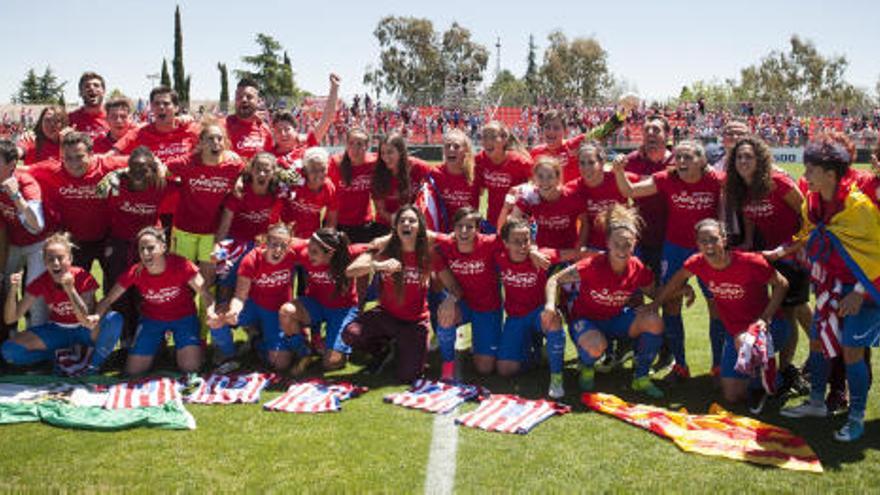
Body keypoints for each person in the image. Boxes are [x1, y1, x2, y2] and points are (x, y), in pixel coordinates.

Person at [778, 138, 880, 442]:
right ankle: (816, 403)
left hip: (865, 288)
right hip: (830, 284)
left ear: (832, 174)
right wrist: (782, 251)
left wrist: (859, 292)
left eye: (812, 169)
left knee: (851, 351)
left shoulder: (858, 205)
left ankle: (857, 417)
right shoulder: (812, 200)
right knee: (819, 342)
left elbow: (877, 251)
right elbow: (810, 235)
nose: (805, 174)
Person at [613, 140, 724, 383]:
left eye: (688, 157)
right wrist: (619, 171)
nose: (681, 162)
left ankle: (717, 366)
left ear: (702, 160)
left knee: (717, 307)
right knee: (671, 305)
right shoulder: (666, 178)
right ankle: (680, 365)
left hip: (709, 250)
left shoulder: (716, 179)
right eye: (679, 157)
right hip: (675, 248)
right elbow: (630, 191)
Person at [652, 219, 790, 411]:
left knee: (744, 341)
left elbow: (782, 284)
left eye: (713, 239)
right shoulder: (697, 263)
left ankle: (766, 381)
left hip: (769, 329)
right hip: (735, 334)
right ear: (697, 244)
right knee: (731, 395)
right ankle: (766, 374)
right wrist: (655, 305)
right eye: (702, 241)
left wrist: (765, 318)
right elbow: (676, 281)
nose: (708, 245)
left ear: (724, 239)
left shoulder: (750, 262)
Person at [544, 204, 664, 398]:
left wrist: (679, 289)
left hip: (616, 320)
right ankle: (587, 367)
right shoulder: (592, 265)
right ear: (607, 243)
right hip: (586, 321)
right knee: (595, 346)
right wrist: (550, 305)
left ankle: (641, 378)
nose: (622, 249)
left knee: (654, 321)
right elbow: (555, 279)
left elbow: (655, 293)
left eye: (628, 244)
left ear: (634, 244)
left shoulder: (637, 267)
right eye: (617, 244)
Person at [724, 135, 808, 393]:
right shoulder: (741, 187)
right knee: (776, 308)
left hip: (793, 253)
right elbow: (750, 216)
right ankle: (779, 365)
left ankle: (786, 370)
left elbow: (807, 215)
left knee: (790, 311)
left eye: (749, 156)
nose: (743, 161)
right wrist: (749, 242)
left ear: (760, 159)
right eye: (739, 157)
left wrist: (789, 248)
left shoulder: (777, 182)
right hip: (768, 253)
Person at [341, 205, 459, 383]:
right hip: (386, 315)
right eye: (402, 221)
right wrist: (378, 265)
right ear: (395, 227)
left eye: (412, 221)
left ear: (420, 226)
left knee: (408, 377)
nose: (407, 224)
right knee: (351, 333)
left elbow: (454, 286)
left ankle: (401, 347)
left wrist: (450, 299)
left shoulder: (429, 253)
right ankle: (382, 349)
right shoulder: (384, 247)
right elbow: (351, 271)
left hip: (415, 321)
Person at [94, 227, 213, 375]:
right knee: (133, 372)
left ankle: (183, 348)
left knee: (191, 368)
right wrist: (96, 317)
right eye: (141, 249)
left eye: (150, 248)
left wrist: (211, 312)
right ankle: (158, 349)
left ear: (163, 247)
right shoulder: (135, 271)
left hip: (184, 317)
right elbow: (108, 299)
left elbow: (205, 293)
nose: (145, 253)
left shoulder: (181, 265)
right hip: (152, 320)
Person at [493, 218, 590, 398]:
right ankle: (536, 357)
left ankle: (556, 377)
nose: (522, 246)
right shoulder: (499, 256)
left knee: (553, 318)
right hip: (515, 317)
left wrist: (607, 254)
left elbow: (577, 254)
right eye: (516, 241)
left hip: (540, 314)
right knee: (504, 370)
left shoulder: (543, 255)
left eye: (526, 241)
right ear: (505, 243)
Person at [1, 232, 122, 373]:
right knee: (9, 351)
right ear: (44, 262)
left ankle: (94, 366)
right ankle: (58, 358)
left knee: (114, 318)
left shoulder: (82, 276)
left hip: (85, 329)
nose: (56, 263)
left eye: (60, 258)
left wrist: (70, 290)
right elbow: (11, 318)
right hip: (58, 329)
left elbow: (85, 319)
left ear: (70, 259)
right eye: (50, 259)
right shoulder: (41, 281)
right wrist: (13, 290)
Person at [207, 223, 308, 372]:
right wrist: (234, 311)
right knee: (217, 317)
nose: (279, 250)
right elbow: (240, 296)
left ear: (290, 243)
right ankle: (228, 354)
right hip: (252, 306)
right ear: (266, 242)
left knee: (280, 363)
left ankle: (257, 342)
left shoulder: (294, 251)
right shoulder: (252, 259)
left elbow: (318, 242)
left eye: (283, 245)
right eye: (274, 244)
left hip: (276, 311)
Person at [30, 132, 127, 275]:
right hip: (74, 241)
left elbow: (143, 161)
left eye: (80, 157)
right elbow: (18, 170)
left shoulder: (107, 166)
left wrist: (158, 167)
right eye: (68, 158)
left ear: (92, 154)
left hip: (108, 237)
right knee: (75, 288)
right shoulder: (51, 170)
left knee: (116, 283)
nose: (74, 164)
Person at [98, 147, 167, 344]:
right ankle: (125, 339)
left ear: (152, 170)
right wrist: (115, 173)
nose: (138, 173)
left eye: (144, 169)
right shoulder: (116, 184)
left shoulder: (161, 185)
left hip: (148, 246)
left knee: (148, 293)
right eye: (134, 168)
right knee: (119, 293)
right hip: (120, 244)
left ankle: (153, 341)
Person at [165, 121, 245, 286]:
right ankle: (183, 311)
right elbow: (163, 170)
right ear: (200, 143)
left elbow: (246, 171)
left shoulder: (233, 164)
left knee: (208, 280)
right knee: (181, 279)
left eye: (219, 138)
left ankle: (206, 312)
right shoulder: (187, 162)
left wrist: (240, 180)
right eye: (210, 139)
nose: (216, 142)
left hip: (213, 232)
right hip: (183, 230)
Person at [281, 228, 366, 371]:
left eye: (314, 252)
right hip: (316, 304)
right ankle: (304, 351)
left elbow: (376, 247)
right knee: (286, 312)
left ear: (331, 253)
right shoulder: (305, 252)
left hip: (343, 309)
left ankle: (338, 343)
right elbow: (281, 240)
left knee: (331, 363)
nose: (309, 254)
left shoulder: (350, 254)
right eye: (309, 248)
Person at [435, 207, 505, 380]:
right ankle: (448, 363)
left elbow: (508, 237)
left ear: (477, 229)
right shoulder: (444, 245)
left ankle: (478, 343)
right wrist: (450, 299)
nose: (464, 231)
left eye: (469, 226)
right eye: (459, 226)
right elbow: (425, 234)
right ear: (453, 229)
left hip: (488, 307)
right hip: (463, 303)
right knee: (445, 313)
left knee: (485, 368)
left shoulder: (488, 243)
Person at [0, 139, 48, 326]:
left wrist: (16, 196)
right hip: (12, 243)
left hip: (36, 243)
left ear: (12, 165)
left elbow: (37, 225)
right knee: (6, 288)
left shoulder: (26, 183)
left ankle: (37, 339)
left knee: (34, 294)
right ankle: (10, 334)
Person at [501, 156, 587, 250]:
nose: (545, 181)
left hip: (568, 250)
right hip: (542, 250)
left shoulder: (571, 196)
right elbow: (513, 222)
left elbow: (585, 222)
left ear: (558, 179)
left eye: (550, 176)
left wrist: (579, 246)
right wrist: (532, 247)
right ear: (534, 178)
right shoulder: (530, 196)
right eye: (540, 176)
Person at [271, 73, 340, 170]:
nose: (283, 134)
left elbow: (327, 119)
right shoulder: (268, 156)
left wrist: (334, 88)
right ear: (273, 133)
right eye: (278, 130)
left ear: (295, 130)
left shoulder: (308, 145)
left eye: (287, 129)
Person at [474, 121, 532, 231]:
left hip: (517, 224)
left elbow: (538, 185)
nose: (487, 141)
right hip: (492, 222)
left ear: (504, 139)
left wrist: (521, 190)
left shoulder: (520, 162)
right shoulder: (480, 160)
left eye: (492, 137)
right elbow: (479, 191)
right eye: (484, 137)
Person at [329, 127, 382, 242]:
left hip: (363, 224)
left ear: (367, 146)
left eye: (359, 144)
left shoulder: (374, 162)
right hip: (338, 223)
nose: (355, 148)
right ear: (346, 145)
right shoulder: (336, 163)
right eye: (351, 143)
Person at [372, 131, 433, 228]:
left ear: (401, 152)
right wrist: (399, 221)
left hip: (414, 224)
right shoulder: (378, 172)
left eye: (390, 152)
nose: (385, 157)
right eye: (382, 153)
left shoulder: (419, 167)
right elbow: (381, 210)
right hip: (386, 225)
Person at [426, 129, 480, 233]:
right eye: (447, 146)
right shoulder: (434, 173)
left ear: (466, 151)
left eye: (456, 146)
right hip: (443, 236)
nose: (451, 149)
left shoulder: (476, 174)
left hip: (468, 234)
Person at [224, 78, 274, 160]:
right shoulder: (223, 126)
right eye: (239, 97)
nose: (244, 100)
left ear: (258, 101)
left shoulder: (265, 130)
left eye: (249, 97)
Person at [67, 71, 108, 140]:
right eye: (87, 86)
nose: (92, 88)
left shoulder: (114, 118)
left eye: (96, 85)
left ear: (104, 91)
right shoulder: (70, 119)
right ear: (80, 92)